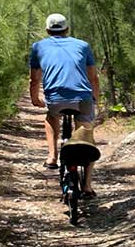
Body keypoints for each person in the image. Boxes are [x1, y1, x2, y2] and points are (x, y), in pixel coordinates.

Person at [29, 13, 100, 196]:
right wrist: (95, 99)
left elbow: (34, 80)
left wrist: (35, 99)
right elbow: (93, 77)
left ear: (47, 30)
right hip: (82, 98)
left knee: (51, 117)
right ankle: (87, 186)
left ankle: (52, 157)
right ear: (67, 29)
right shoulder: (83, 45)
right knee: (86, 136)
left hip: (55, 99)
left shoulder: (38, 47)